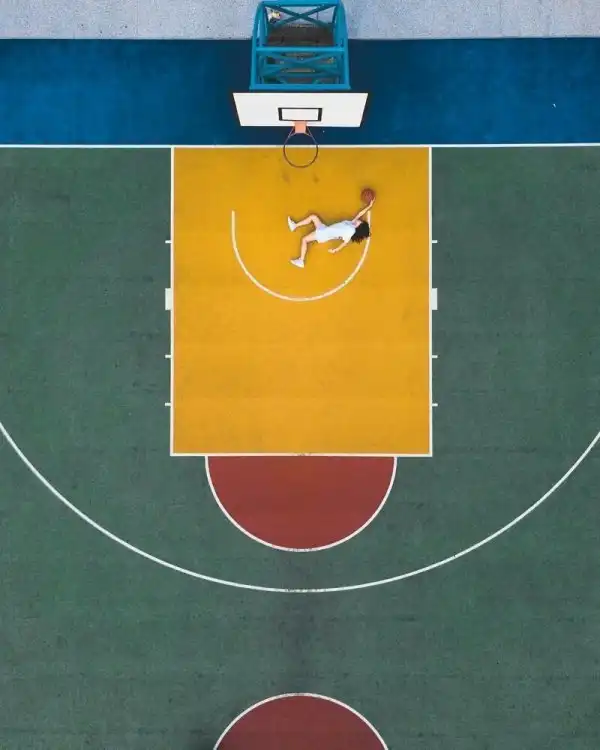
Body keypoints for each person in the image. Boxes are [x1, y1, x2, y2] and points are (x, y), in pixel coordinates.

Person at [288, 197, 375, 268]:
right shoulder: (352, 224)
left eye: (360, 222)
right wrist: (369, 206)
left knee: (304, 240)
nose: (359, 220)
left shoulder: (350, 230)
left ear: (359, 227)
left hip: (323, 234)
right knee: (313, 217)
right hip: (325, 229)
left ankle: (301, 260)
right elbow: (359, 214)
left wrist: (336, 250)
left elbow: (345, 242)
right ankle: (294, 226)